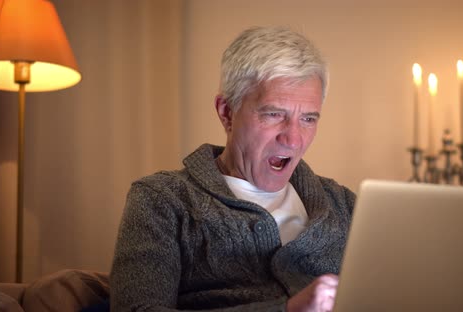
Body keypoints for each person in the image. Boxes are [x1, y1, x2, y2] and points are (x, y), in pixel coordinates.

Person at [110, 26, 355, 312]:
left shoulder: (344, 205)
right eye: (274, 114)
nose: (293, 139)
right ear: (227, 112)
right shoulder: (162, 200)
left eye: (308, 119)